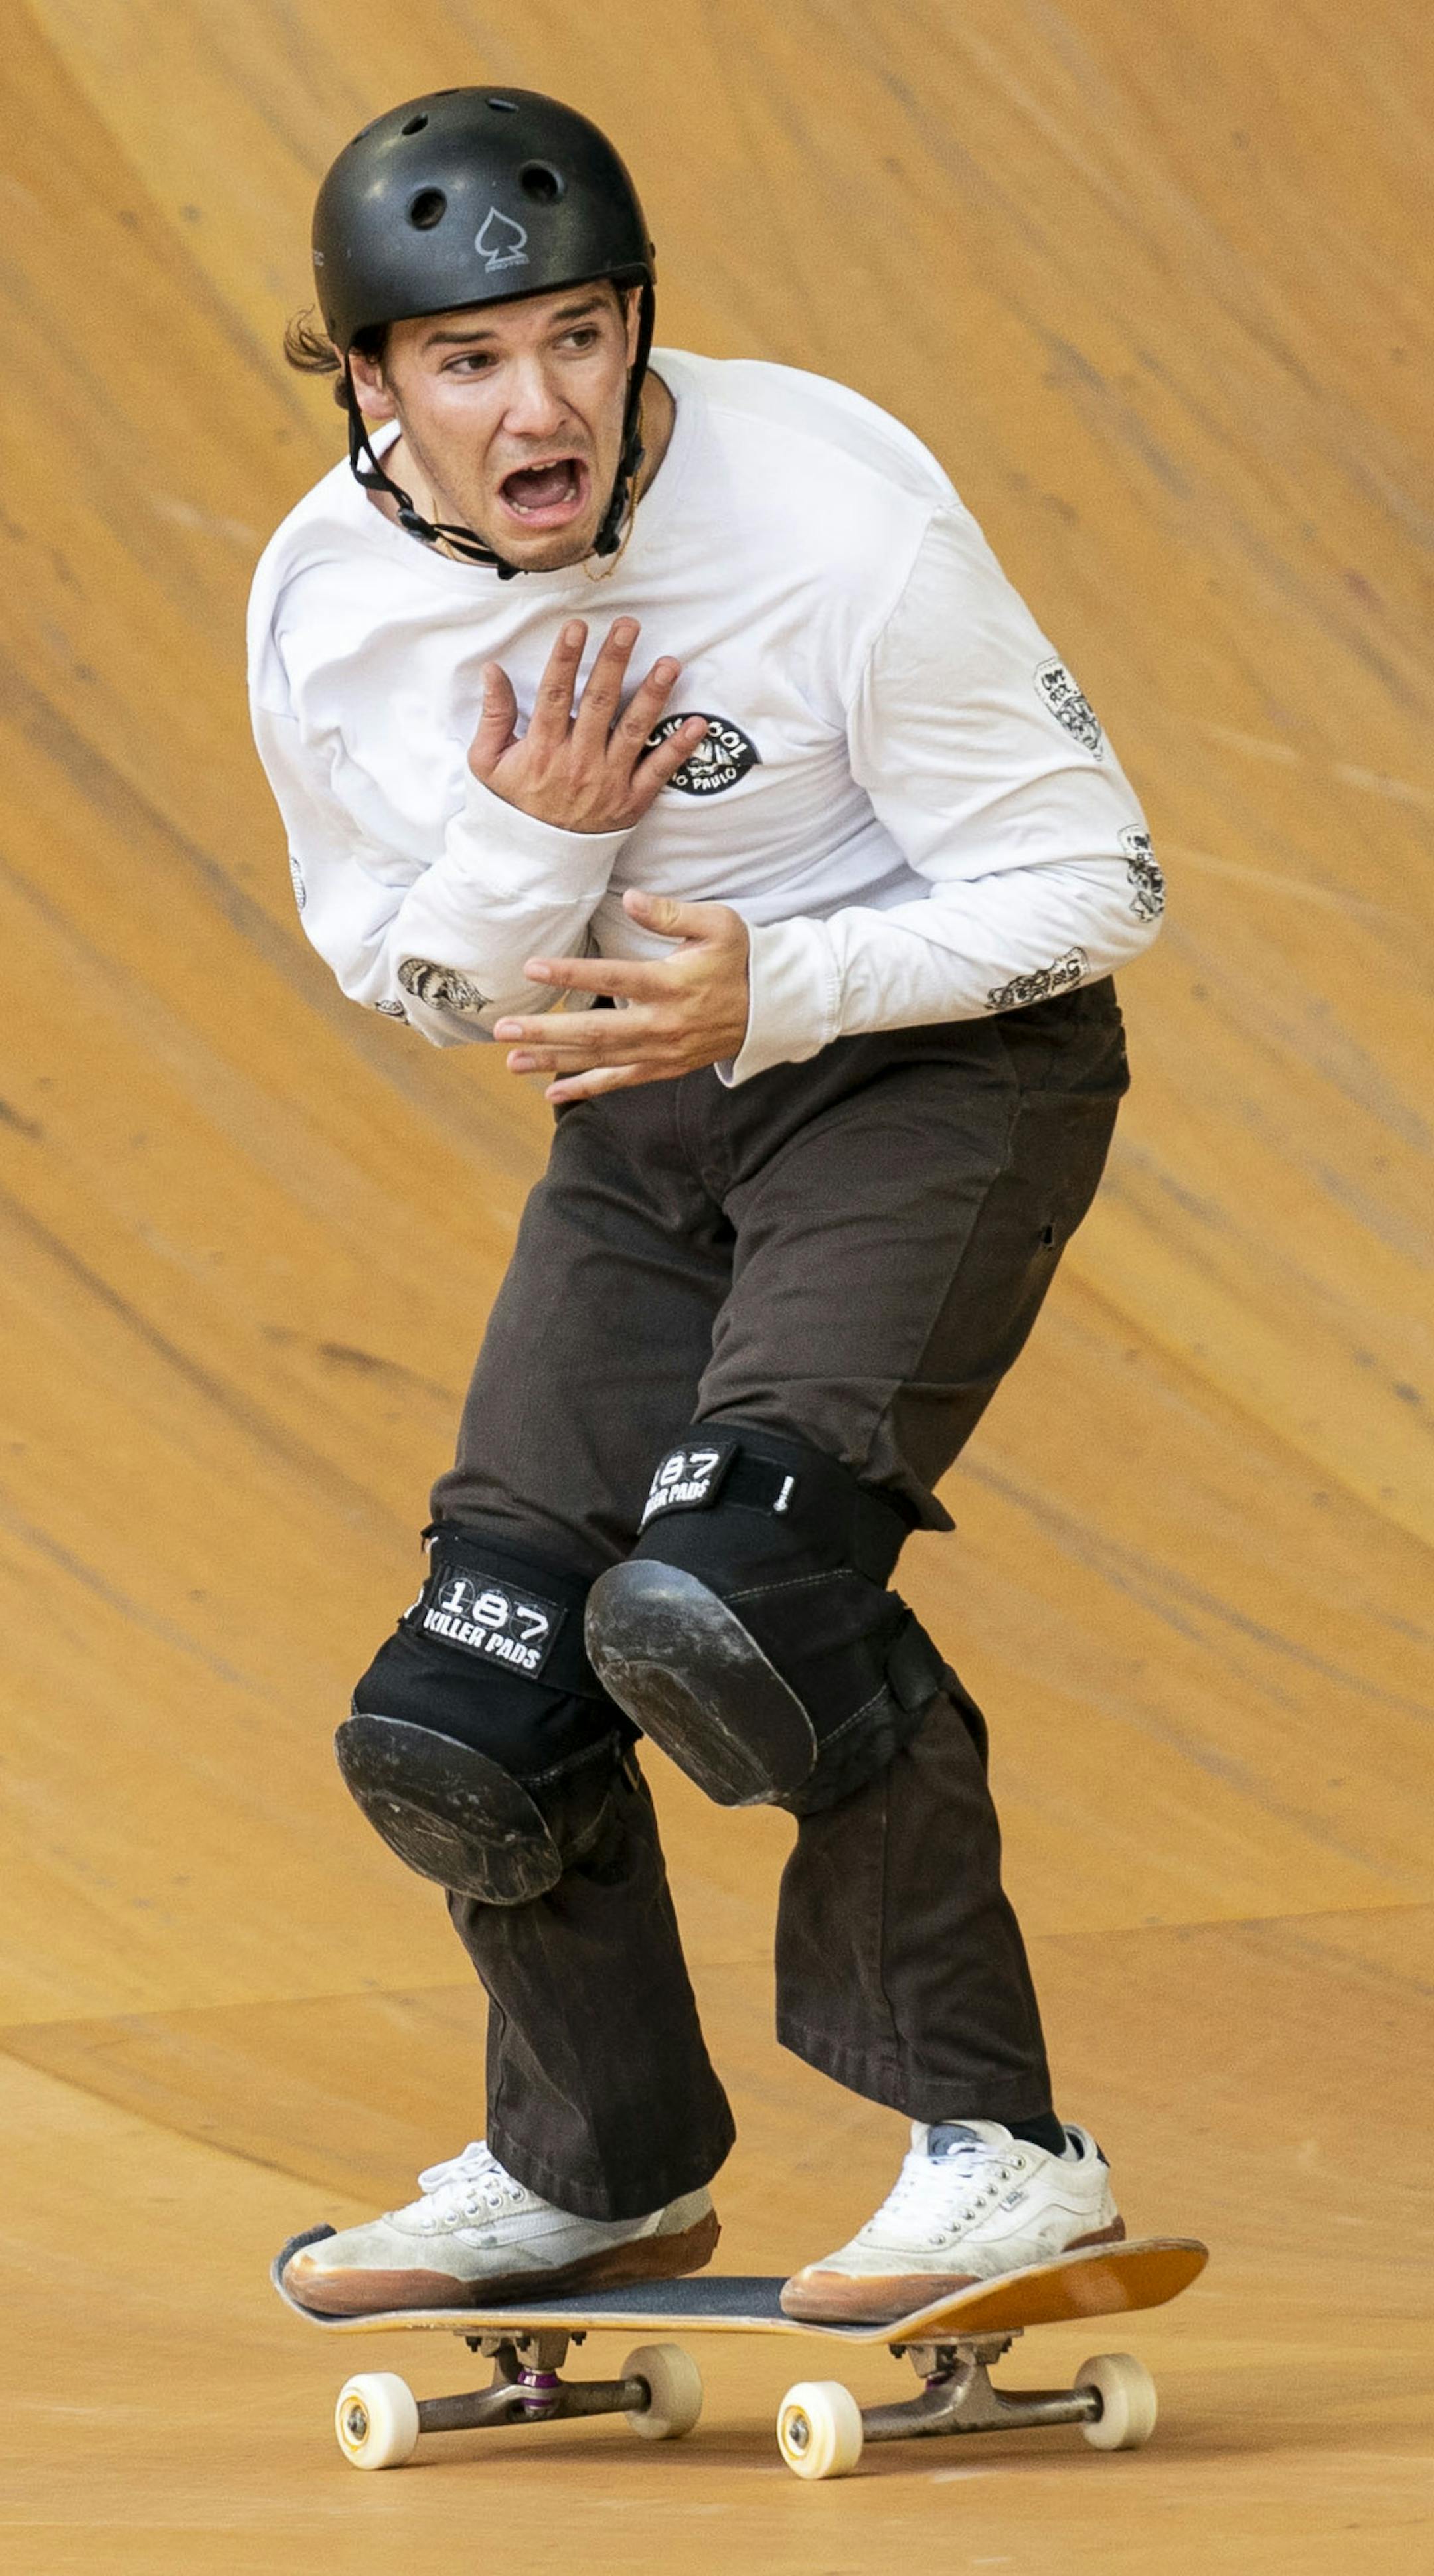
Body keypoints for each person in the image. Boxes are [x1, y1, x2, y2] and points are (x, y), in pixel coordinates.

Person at [248, 86, 1164, 2326]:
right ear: (373, 381)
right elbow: (412, 967)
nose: (538, 405)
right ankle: (598, 2164)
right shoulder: (328, 602)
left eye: (577, 335)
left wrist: (785, 978)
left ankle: (1004, 2150)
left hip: (930, 1066)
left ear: (639, 320)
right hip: (640, 1112)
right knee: (463, 1704)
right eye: (465, 363)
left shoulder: (833, 520)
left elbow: (1103, 881)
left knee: (736, 1592)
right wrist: (542, 844)